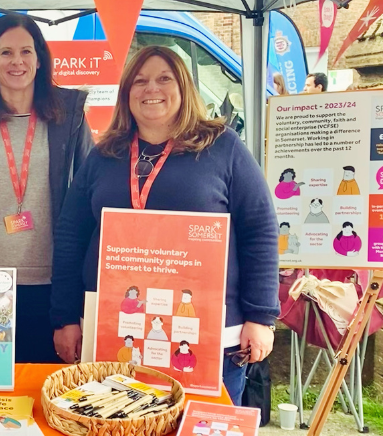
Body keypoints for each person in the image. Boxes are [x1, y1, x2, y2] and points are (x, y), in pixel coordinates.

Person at [50, 45, 279, 405]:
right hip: (115, 330)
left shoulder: (222, 147)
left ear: (183, 87)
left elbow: (260, 231)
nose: (151, 89)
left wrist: (261, 316)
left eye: (164, 78)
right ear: (127, 93)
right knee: (119, 426)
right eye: (139, 81)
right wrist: (65, 317)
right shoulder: (104, 155)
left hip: (207, 334)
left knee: (200, 432)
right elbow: (70, 236)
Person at [0, 14, 93, 363]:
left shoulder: (70, 116)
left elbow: (87, 199)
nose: (17, 61)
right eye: (6, 52)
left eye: (26, 51)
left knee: (46, 388)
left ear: (39, 60)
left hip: (53, 285)